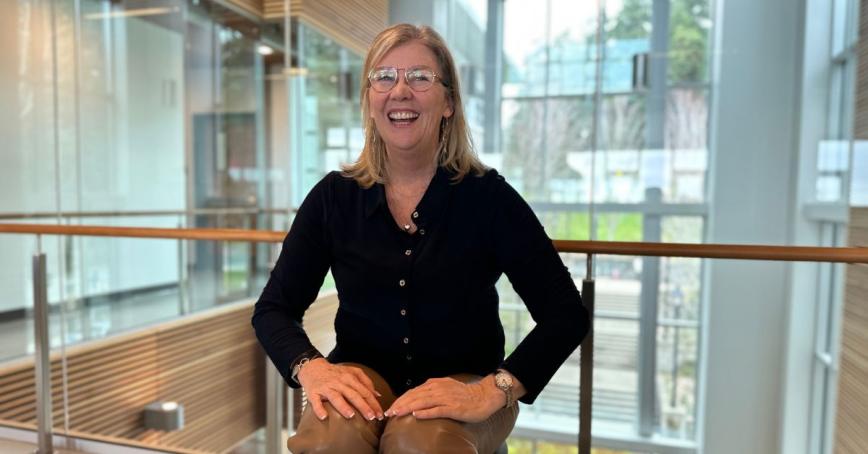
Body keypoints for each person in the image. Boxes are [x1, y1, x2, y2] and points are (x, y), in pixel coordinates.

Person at [252, 23, 589, 454]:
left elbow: (565, 314)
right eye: (384, 77)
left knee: (421, 444)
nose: (400, 91)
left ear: (448, 101)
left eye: (420, 77)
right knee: (330, 441)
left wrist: (492, 390)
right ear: (370, 100)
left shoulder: (489, 199)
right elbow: (273, 309)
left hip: (465, 382)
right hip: (363, 376)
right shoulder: (334, 198)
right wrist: (311, 367)